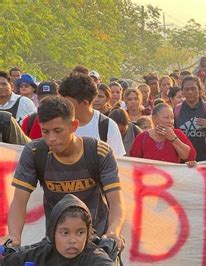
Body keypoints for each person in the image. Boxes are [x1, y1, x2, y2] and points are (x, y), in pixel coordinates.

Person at [6, 96, 125, 251]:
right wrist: (14, 237)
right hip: (55, 241)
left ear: (73, 126)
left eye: (58, 131)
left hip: (96, 243)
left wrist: (113, 232)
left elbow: (116, 202)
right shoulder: (35, 152)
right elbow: (19, 201)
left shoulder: (99, 152)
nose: (51, 138)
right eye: (45, 132)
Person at [1, 194, 115, 265]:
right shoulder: (41, 253)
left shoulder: (96, 258)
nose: (73, 240)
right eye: (65, 233)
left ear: (88, 234)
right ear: (53, 233)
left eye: (80, 233)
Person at [59, 74, 126, 156]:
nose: (62, 106)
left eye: (67, 103)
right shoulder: (56, 123)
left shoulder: (107, 126)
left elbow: (117, 161)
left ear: (85, 103)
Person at [174, 75, 206, 161]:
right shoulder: (176, 110)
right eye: (186, 89)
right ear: (182, 92)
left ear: (200, 90)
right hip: (183, 163)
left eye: (193, 88)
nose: (190, 92)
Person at [130, 103, 196, 163]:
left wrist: (173, 138)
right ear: (154, 118)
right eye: (166, 118)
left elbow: (190, 157)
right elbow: (133, 161)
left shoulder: (177, 134)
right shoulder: (142, 137)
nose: (170, 121)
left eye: (172, 118)